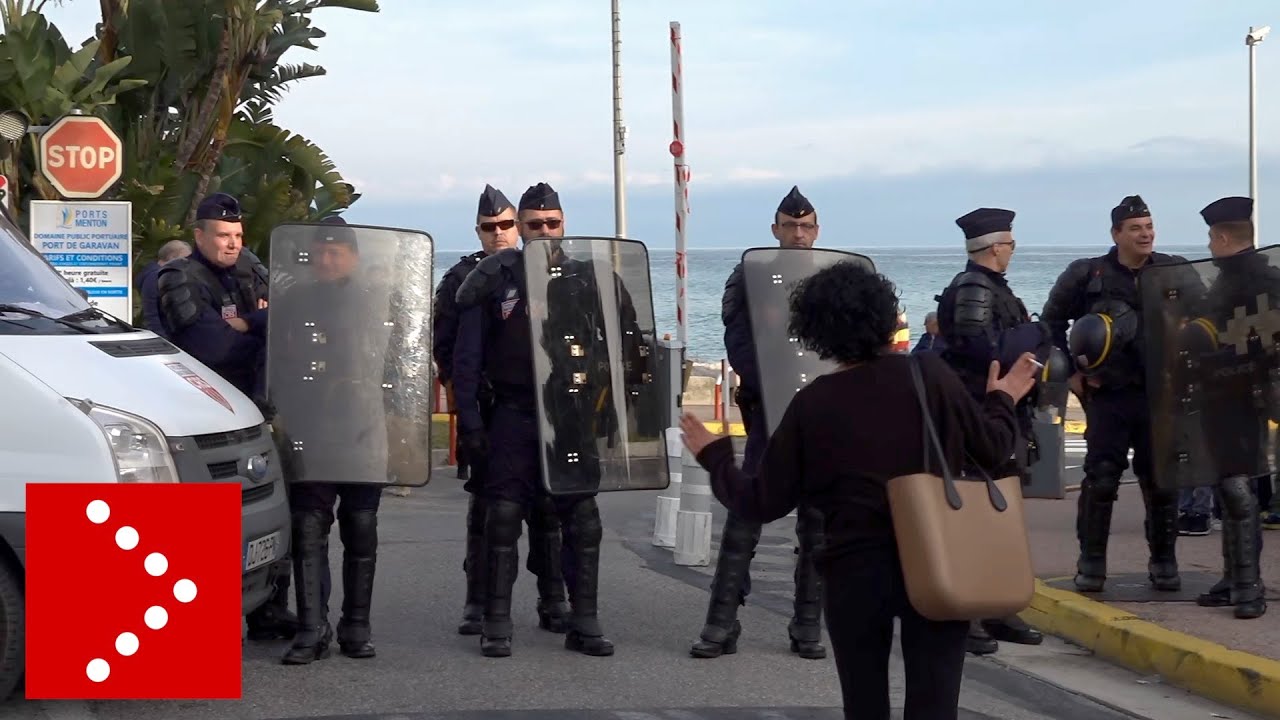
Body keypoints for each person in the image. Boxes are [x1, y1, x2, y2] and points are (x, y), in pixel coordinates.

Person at [679, 260, 1039, 720]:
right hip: (938, 556)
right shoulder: (928, 374)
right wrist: (1003, 397)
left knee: (864, 704)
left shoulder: (815, 402)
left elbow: (760, 501)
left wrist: (714, 455)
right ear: (885, 317)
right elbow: (992, 450)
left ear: (817, 332)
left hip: (856, 570)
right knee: (935, 701)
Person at [451, 185, 614, 658]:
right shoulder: (494, 278)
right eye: (534, 224)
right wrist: (471, 423)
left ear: (564, 224)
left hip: (571, 416)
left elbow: (623, 345)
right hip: (515, 411)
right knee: (502, 516)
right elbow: (467, 358)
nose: (544, 231)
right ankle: (496, 622)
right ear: (519, 228)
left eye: (552, 223)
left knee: (583, 520)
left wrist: (613, 413)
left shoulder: (588, 279)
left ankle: (584, 621)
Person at [155, 191, 297, 640]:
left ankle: (268, 608)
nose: (232, 243)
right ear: (199, 235)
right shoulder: (181, 278)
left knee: (270, 513)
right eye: (222, 235)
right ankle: (196, 623)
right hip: (202, 413)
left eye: (237, 234)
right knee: (206, 524)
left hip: (255, 407)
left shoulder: (251, 270)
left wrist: (251, 326)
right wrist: (262, 331)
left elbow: (289, 323)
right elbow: (212, 348)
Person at [693, 185, 826, 660]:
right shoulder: (751, 275)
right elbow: (739, 342)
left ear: (817, 230)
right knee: (745, 514)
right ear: (775, 230)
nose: (797, 233)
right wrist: (772, 384)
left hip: (821, 415)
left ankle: (807, 626)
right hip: (770, 412)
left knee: (817, 523)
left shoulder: (836, 277)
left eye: (805, 226)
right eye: (789, 226)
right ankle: (721, 624)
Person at [1041, 194, 1188, 594]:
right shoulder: (1086, 274)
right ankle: (1091, 564)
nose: (1146, 234)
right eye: (1136, 228)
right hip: (1110, 396)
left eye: (1149, 226)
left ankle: (1164, 562)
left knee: (1161, 481)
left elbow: (1206, 319)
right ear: (1116, 234)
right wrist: (1070, 374)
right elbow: (1050, 324)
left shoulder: (1175, 270)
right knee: (1101, 479)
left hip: (1160, 396)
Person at [271, 217, 389, 662]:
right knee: (308, 527)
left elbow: (398, 370)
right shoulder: (291, 301)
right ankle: (310, 629)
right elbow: (276, 363)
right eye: (320, 251)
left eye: (335, 252)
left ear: (353, 258)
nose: (325, 258)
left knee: (361, 527)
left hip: (362, 427)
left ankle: (356, 627)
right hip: (310, 426)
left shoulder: (377, 303)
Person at [933, 207, 1048, 654]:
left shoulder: (994, 288)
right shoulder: (973, 288)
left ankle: (997, 607)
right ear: (996, 246)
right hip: (976, 415)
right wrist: (1035, 336)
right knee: (974, 515)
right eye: (1011, 244)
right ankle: (968, 613)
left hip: (1003, 414)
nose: (1012, 251)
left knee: (1001, 514)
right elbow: (983, 352)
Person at [1176, 196, 1272, 619]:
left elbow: (1255, 342)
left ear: (1221, 236)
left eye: (1212, 238)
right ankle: (1234, 577)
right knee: (1229, 484)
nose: (1210, 246)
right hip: (1226, 394)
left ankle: (1248, 585)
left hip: (1240, 394)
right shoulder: (1244, 278)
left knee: (1236, 486)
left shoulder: (1252, 282)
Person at [138, 239, 191, 338]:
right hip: (163, 338)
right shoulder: (154, 277)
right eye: (184, 259)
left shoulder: (163, 274)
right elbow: (151, 313)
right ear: (172, 257)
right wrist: (163, 339)